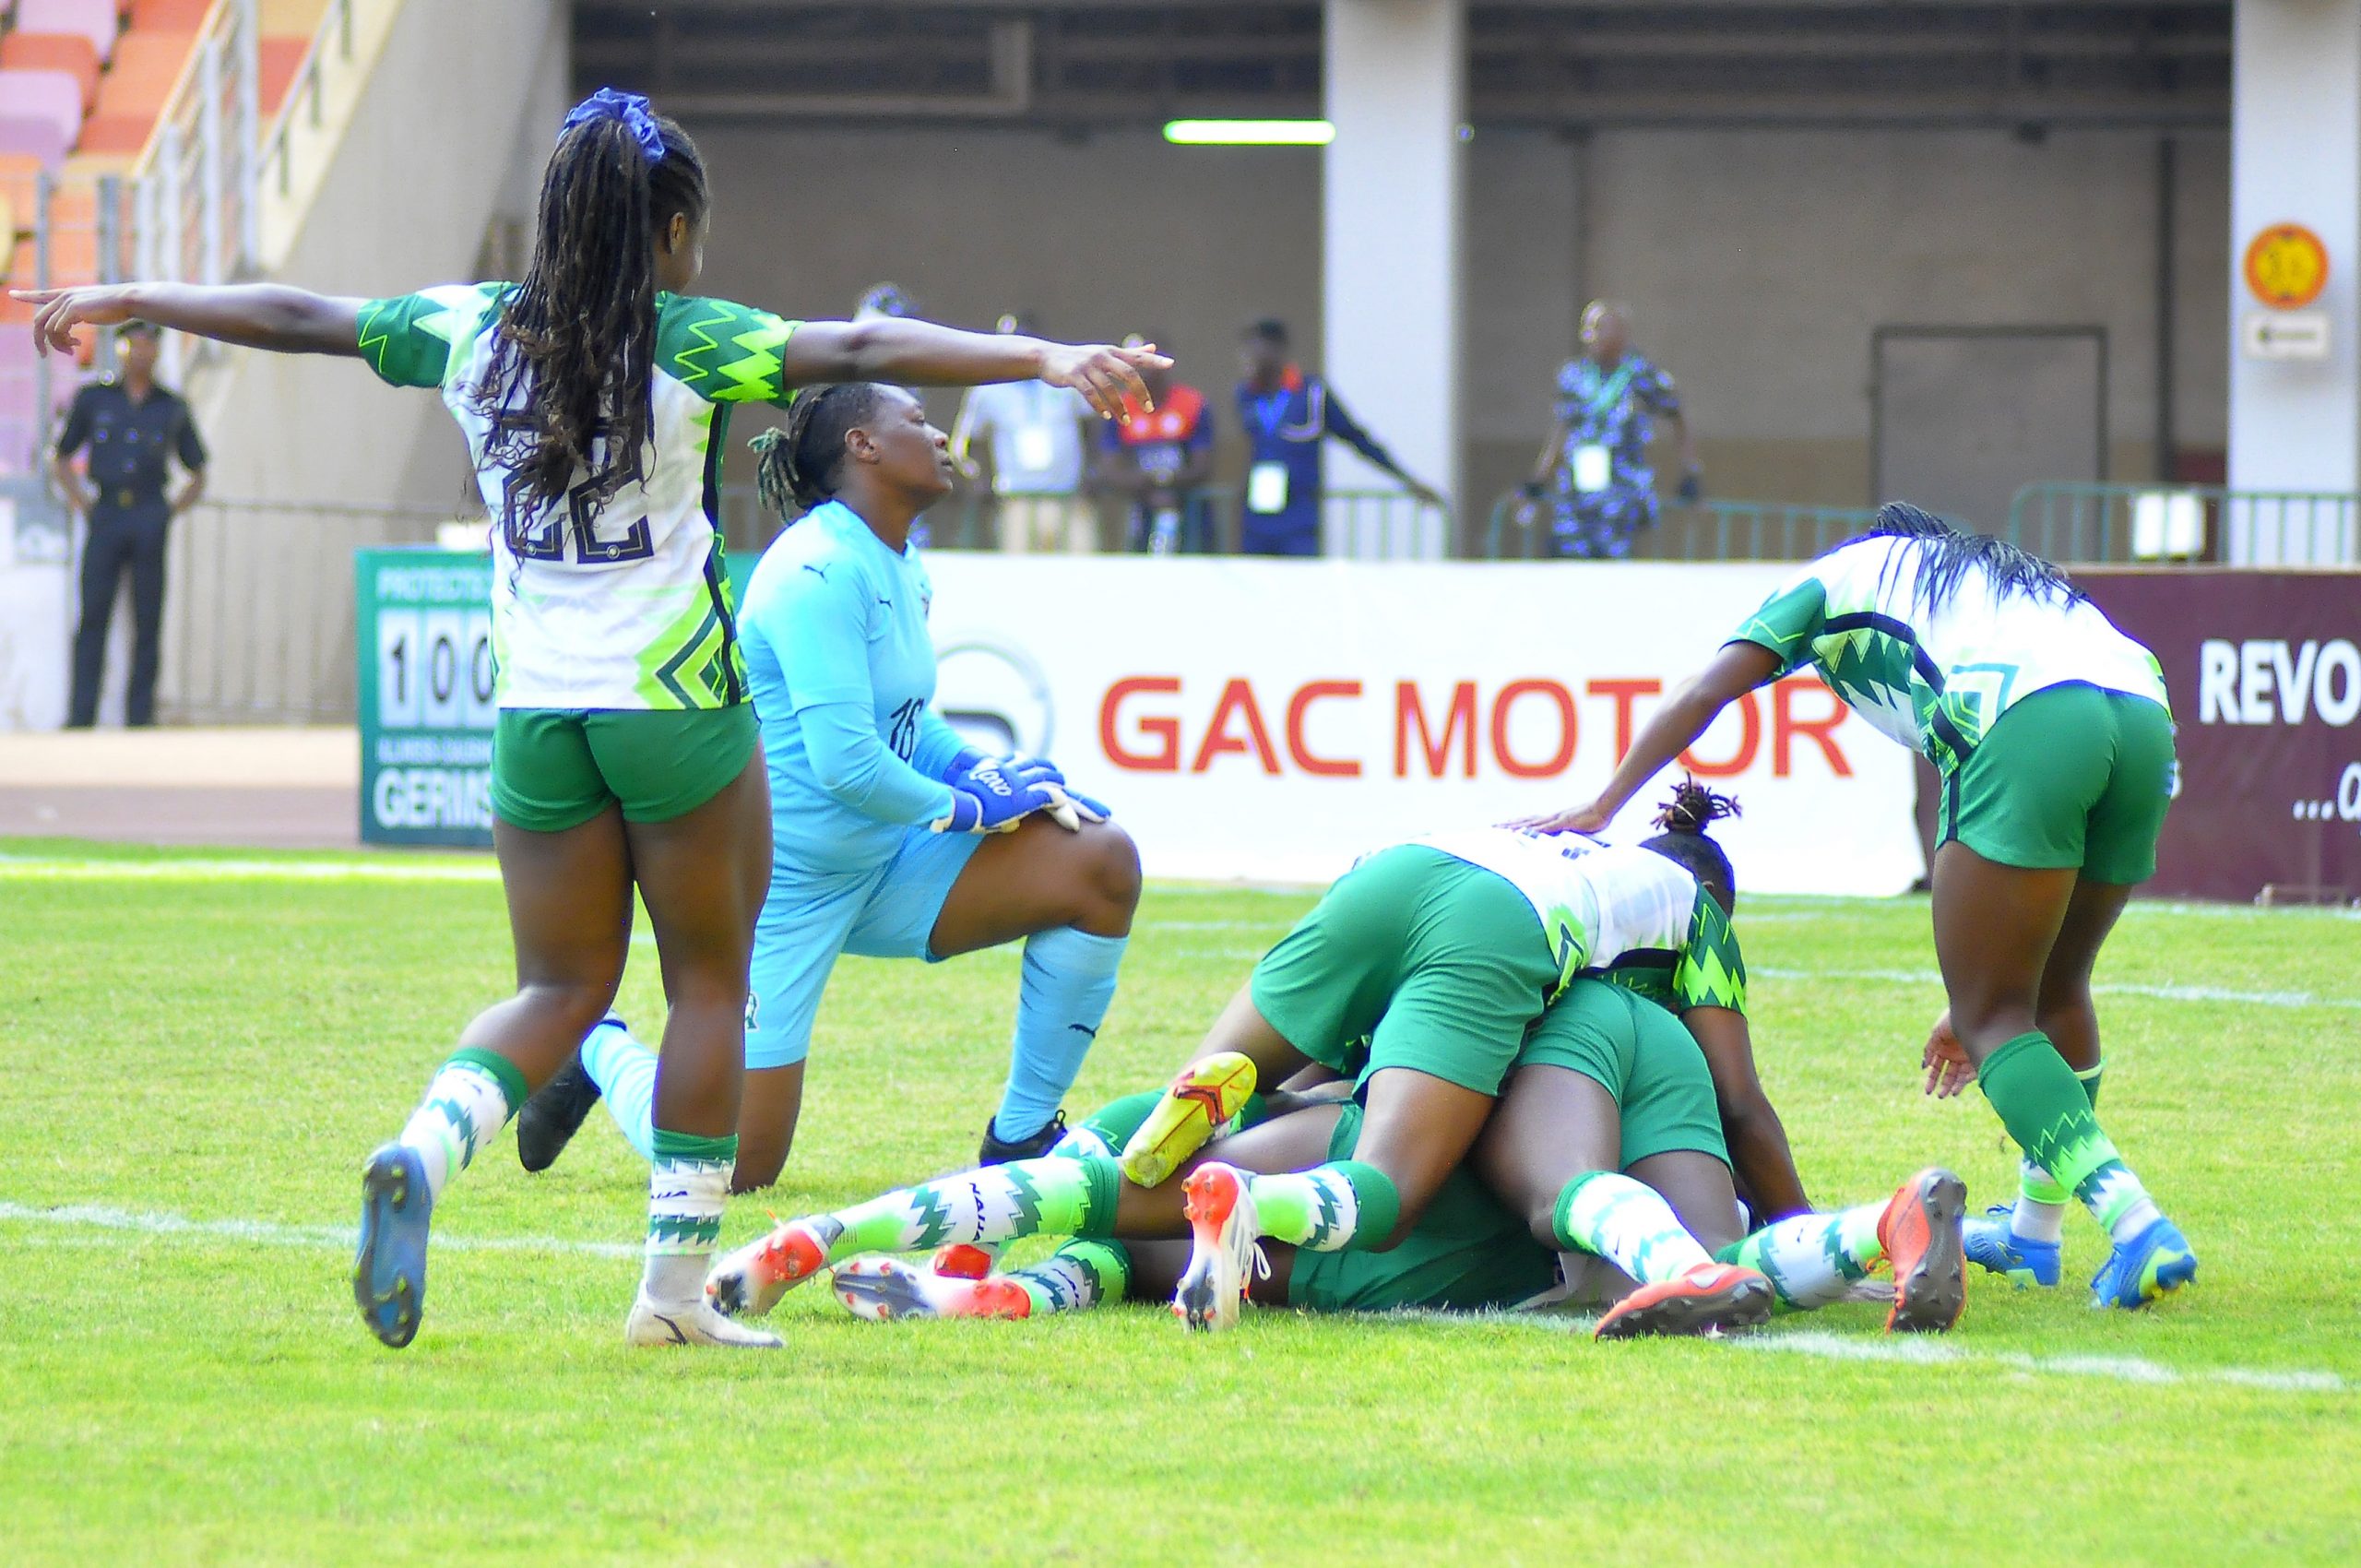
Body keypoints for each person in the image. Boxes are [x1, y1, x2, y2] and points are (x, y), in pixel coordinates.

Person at [13, 89, 1161, 1353]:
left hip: (537, 717)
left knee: (558, 984)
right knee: (710, 984)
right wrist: (1045, 359)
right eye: (694, 229)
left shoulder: (468, 328)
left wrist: (142, 299)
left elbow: (301, 316)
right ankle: (671, 1299)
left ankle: (419, 1154)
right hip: (674, 712)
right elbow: (861, 347)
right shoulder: (694, 339)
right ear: (667, 230)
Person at [1517, 503, 2195, 1310]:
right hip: (2144, 708)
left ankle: (2136, 1225)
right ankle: (2033, 1234)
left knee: (1993, 1019)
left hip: (2029, 717)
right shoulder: (1980, 580)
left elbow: (1708, 689)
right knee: (2055, 991)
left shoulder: (1834, 577)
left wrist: (1603, 803)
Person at [516, 380, 1144, 1193]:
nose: (940, 432)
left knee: (1099, 861)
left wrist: (967, 767)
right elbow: (845, 763)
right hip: (783, 885)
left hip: (887, 857)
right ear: (864, 447)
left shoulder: (900, 559)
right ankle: (596, 1046)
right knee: (736, 1167)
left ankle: (1020, 1140)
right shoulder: (817, 571)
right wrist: (964, 807)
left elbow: (907, 720)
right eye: (916, 419)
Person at [716, 980, 1966, 1341]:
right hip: (1474, 1203)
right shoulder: (1679, 972)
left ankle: (871, 1244)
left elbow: (1330, 1070)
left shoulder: (1485, 955)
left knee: (1125, 1191)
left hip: (1375, 1188)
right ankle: (1878, 1226)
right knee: (1707, 1245)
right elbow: (1747, 1109)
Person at [1120, 783, 1812, 1228]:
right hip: (1500, 919)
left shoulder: (1577, 849)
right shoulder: (1697, 910)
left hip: (1398, 869)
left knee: (1232, 1080)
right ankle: (1242, 1196)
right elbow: (1737, 1100)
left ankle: (1076, 1176)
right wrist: (1795, 1217)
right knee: (1387, 1188)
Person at [50, 320, 208, 728]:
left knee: (148, 620)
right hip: (106, 514)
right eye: (133, 345)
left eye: (149, 345)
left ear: (157, 352)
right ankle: (80, 718)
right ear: (120, 350)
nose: (141, 352)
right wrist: (83, 502)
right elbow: (62, 456)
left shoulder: (171, 406)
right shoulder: (94, 399)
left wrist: (170, 511)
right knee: (93, 618)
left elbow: (198, 469)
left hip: (149, 513)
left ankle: (140, 720)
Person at [1235, 317, 1442, 557]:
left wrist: (1407, 480)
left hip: (1298, 520)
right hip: (1256, 520)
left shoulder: (1313, 394)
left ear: (1276, 349)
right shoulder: (1245, 396)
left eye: (1254, 348)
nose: (1246, 357)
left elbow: (1357, 439)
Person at [1516, 301, 1701, 560]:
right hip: (1579, 490)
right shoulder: (1574, 376)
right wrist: (1538, 479)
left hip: (1622, 491)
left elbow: (1677, 418)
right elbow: (1562, 429)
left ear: (1622, 333)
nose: (1591, 335)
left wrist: (1690, 471)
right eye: (1587, 329)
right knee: (1568, 559)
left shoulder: (1642, 374)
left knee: (1612, 563)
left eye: (1600, 328)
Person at [951, 312, 1101, 553]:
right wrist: (980, 480)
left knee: (1079, 571)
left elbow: (1091, 426)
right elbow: (968, 442)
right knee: (1020, 575)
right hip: (1016, 498)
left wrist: (1092, 470)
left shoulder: (1066, 378)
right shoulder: (987, 388)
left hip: (1067, 495)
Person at [1092, 336, 1215, 553]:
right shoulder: (1120, 406)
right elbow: (1110, 468)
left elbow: (1202, 466)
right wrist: (1149, 487)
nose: (1142, 370)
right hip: (1139, 509)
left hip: (1188, 510)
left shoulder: (1192, 404)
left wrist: (1166, 482)